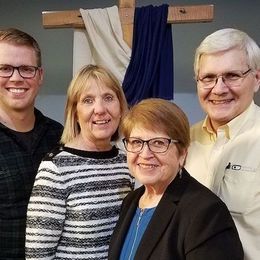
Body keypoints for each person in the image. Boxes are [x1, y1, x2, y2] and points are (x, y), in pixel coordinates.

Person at [108, 98, 243, 260]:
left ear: (182, 154)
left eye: (158, 143)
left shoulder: (207, 213)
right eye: (136, 142)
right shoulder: (131, 201)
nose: (145, 154)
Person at [25, 64, 135, 259]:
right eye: (88, 100)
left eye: (108, 98)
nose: (100, 109)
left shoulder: (127, 163)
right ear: (75, 112)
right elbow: (37, 255)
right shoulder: (56, 169)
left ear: (120, 106)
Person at [185, 28, 260, 260]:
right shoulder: (182, 142)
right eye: (208, 78)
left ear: (256, 79)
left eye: (232, 76)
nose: (218, 88)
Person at [0, 28, 63, 259]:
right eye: (5, 68)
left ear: (40, 75)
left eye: (26, 69)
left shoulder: (60, 137)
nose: (16, 78)